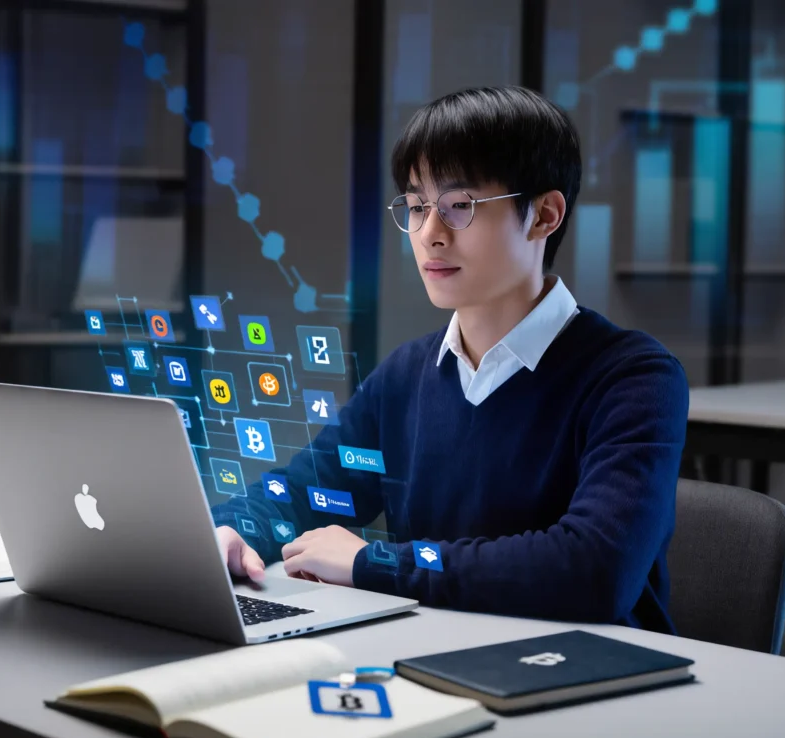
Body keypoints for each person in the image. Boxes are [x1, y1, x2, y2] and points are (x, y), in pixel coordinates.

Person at [211, 86, 688, 633]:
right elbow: (301, 491)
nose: (429, 235)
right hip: (436, 658)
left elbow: (593, 570)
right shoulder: (407, 375)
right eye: (416, 208)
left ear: (544, 216)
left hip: (599, 683)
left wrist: (375, 563)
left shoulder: (633, 378)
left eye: (459, 207)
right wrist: (229, 530)